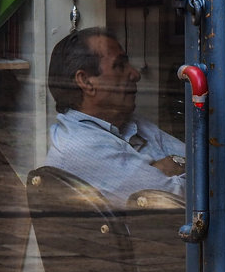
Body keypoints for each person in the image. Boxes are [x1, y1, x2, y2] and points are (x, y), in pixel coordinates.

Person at [45, 27, 186, 207]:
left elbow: (205, 163)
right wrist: (163, 170)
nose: (135, 74)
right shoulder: (81, 146)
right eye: (119, 65)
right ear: (86, 81)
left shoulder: (128, 122)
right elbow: (180, 199)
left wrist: (165, 168)